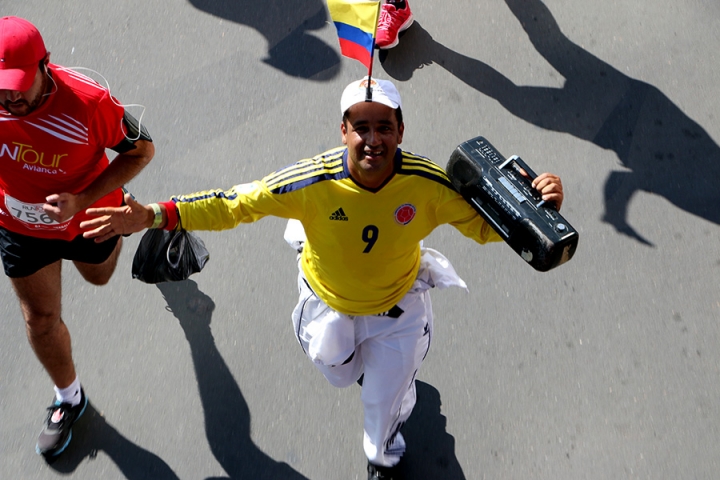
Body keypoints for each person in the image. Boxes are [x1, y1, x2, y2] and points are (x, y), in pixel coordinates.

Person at [81, 76, 563, 480]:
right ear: (343, 131)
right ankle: (307, 241)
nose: (372, 139)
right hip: (327, 301)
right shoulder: (310, 181)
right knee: (336, 371)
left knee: (384, 400)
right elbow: (235, 204)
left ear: (400, 131)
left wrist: (539, 210)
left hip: (397, 308)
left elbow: (485, 227)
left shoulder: (429, 184)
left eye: (384, 127)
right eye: (361, 127)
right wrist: (155, 216)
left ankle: (383, 450)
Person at [0, 16, 154, 457]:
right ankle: (69, 398)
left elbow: (142, 149)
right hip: (18, 224)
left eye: (18, 84)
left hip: (88, 215)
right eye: (1, 87)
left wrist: (84, 197)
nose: (9, 97)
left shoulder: (88, 101)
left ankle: (122, 204)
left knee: (99, 279)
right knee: (40, 319)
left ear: (44, 66)